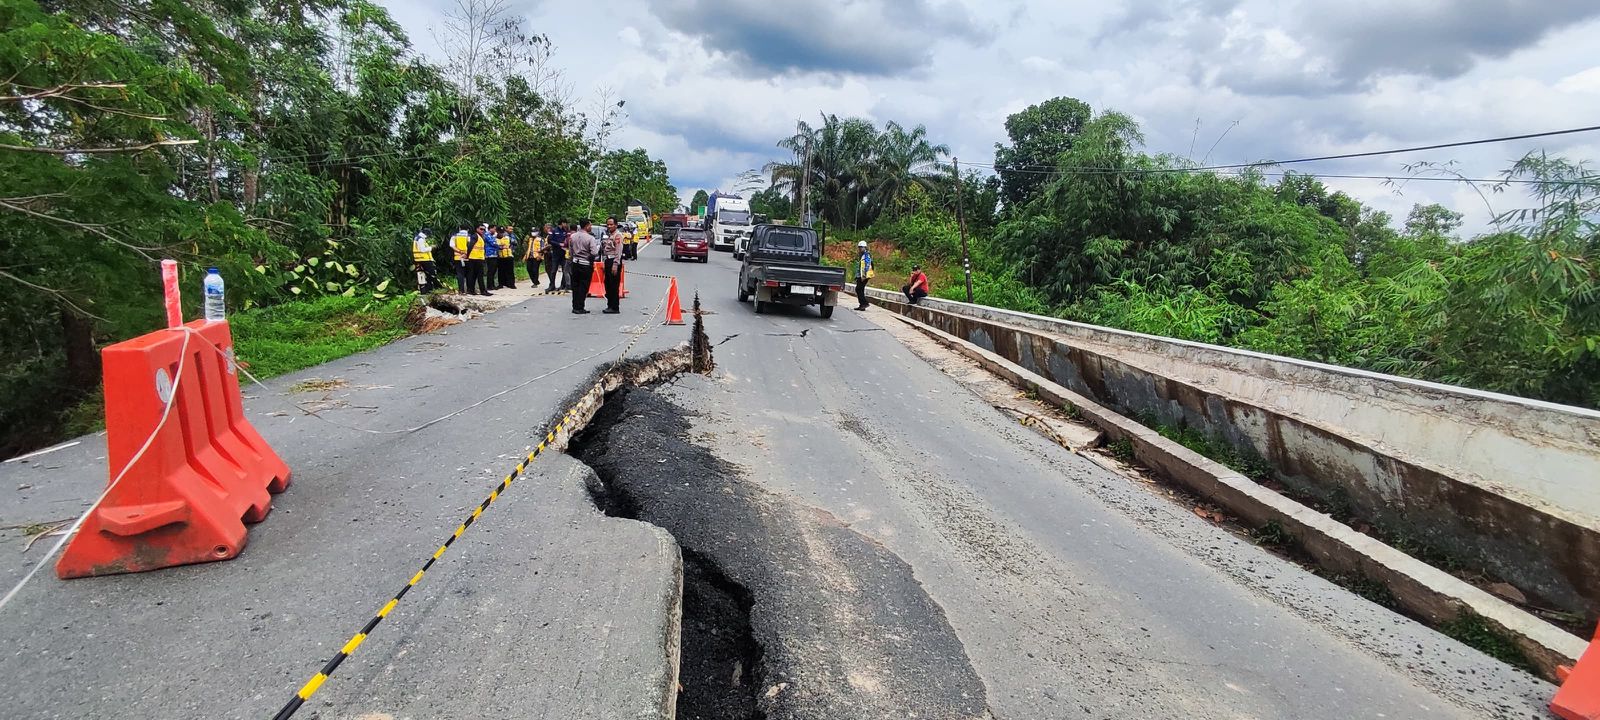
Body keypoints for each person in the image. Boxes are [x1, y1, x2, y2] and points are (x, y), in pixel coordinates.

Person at [567, 218, 598, 314]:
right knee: (583, 286)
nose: (591, 227)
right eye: (590, 225)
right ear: (587, 226)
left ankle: (575, 306)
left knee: (575, 285)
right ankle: (580, 307)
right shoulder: (590, 238)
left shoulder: (573, 236)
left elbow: (570, 251)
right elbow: (594, 252)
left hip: (575, 263)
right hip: (585, 264)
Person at [601, 216, 625, 314]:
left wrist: (615, 264)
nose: (609, 226)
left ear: (616, 225)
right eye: (608, 224)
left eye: (611, 224)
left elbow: (618, 251)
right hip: (608, 261)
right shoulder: (609, 235)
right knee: (608, 284)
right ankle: (610, 305)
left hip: (613, 261)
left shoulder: (617, 235)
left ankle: (614, 307)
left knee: (613, 285)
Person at [465, 225, 491, 296]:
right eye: (481, 229)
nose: (483, 231)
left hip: (478, 258)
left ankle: (472, 290)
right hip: (474, 258)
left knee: (474, 275)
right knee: (478, 275)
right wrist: (467, 256)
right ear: (477, 229)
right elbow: (470, 246)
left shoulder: (480, 237)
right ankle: (482, 291)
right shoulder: (475, 236)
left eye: (484, 229)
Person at [412, 227, 438, 292]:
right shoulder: (420, 239)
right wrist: (431, 247)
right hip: (424, 260)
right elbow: (422, 250)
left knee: (421, 275)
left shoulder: (417, 238)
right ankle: (429, 289)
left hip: (418, 259)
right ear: (426, 234)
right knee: (430, 274)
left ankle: (423, 290)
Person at [550, 219, 571, 291]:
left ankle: (563, 285)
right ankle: (552, 285)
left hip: (563, 253)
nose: (566, 225)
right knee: (553, 270)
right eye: (565, 223)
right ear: (562, 223)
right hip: (556, 253)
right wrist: (558, 244)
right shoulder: (554, 230)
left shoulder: (566, 231)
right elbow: (550, 240)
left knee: (564, 270)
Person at [853, 240, 874, 311]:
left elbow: (867, 266)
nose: (860, 249)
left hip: (864, 276)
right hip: (860, 275)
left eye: (861, 247)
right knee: (859, 289)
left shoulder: (866, 255)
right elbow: (859, 267)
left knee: (859, 289)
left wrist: (864, 276)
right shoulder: (861, 256)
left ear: (865, 247)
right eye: (859, 247)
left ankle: (864, 303)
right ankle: (862, 305)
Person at [450, 225, 471, 293]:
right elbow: (470, 245)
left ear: (459, 228)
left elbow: (452, 245)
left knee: (460, 274)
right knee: (469, 274)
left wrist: (459, 251)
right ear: (467, 229)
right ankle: (469, 290)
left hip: (458, 257)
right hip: (468, 257)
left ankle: (461, 290)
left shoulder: (455, 236)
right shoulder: (469, 236)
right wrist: (466, 254)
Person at [541, 222, 562, 291]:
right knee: (548, 269)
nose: (544, 229)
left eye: (545, 228)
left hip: (551, 253)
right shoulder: (548, 235)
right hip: (547, 253)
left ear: (548, 228)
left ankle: (552, 284)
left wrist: (543, 249)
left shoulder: (552, 234)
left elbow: (551, 244)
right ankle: (552, 283)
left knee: (551, 270)